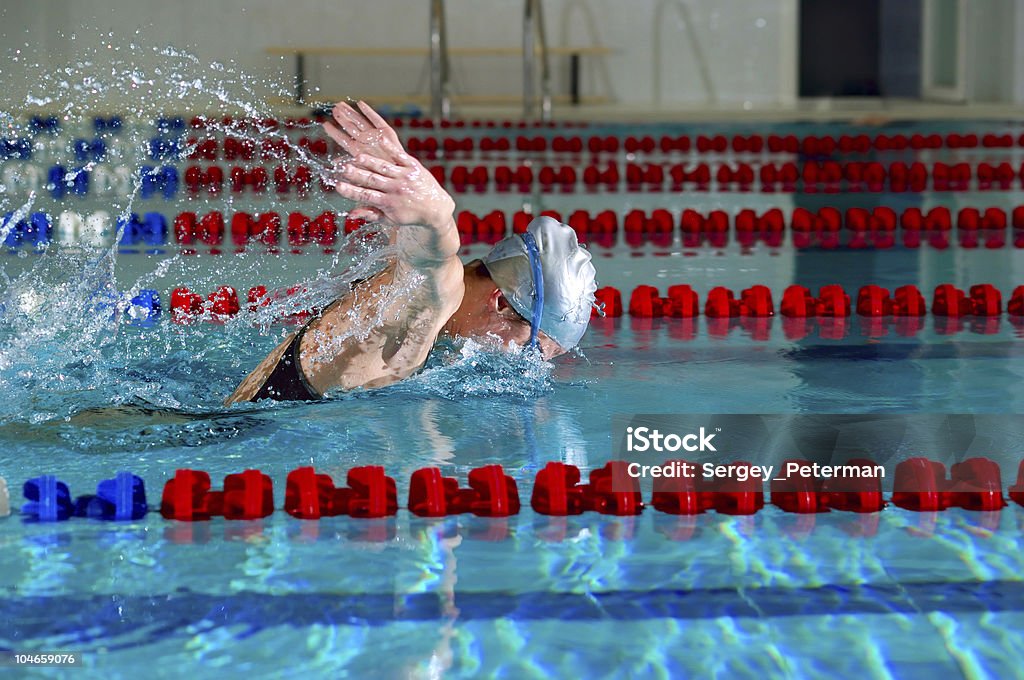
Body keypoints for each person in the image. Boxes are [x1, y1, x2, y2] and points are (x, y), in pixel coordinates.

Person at [225, 101, 597, 404]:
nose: (522, 365)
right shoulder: (434, 299)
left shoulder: (406, 294)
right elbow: (436, 257)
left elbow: (412, 247)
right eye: (532, 351)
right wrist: (436, 214)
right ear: (500, 303)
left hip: (230, 422)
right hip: (239, 441)